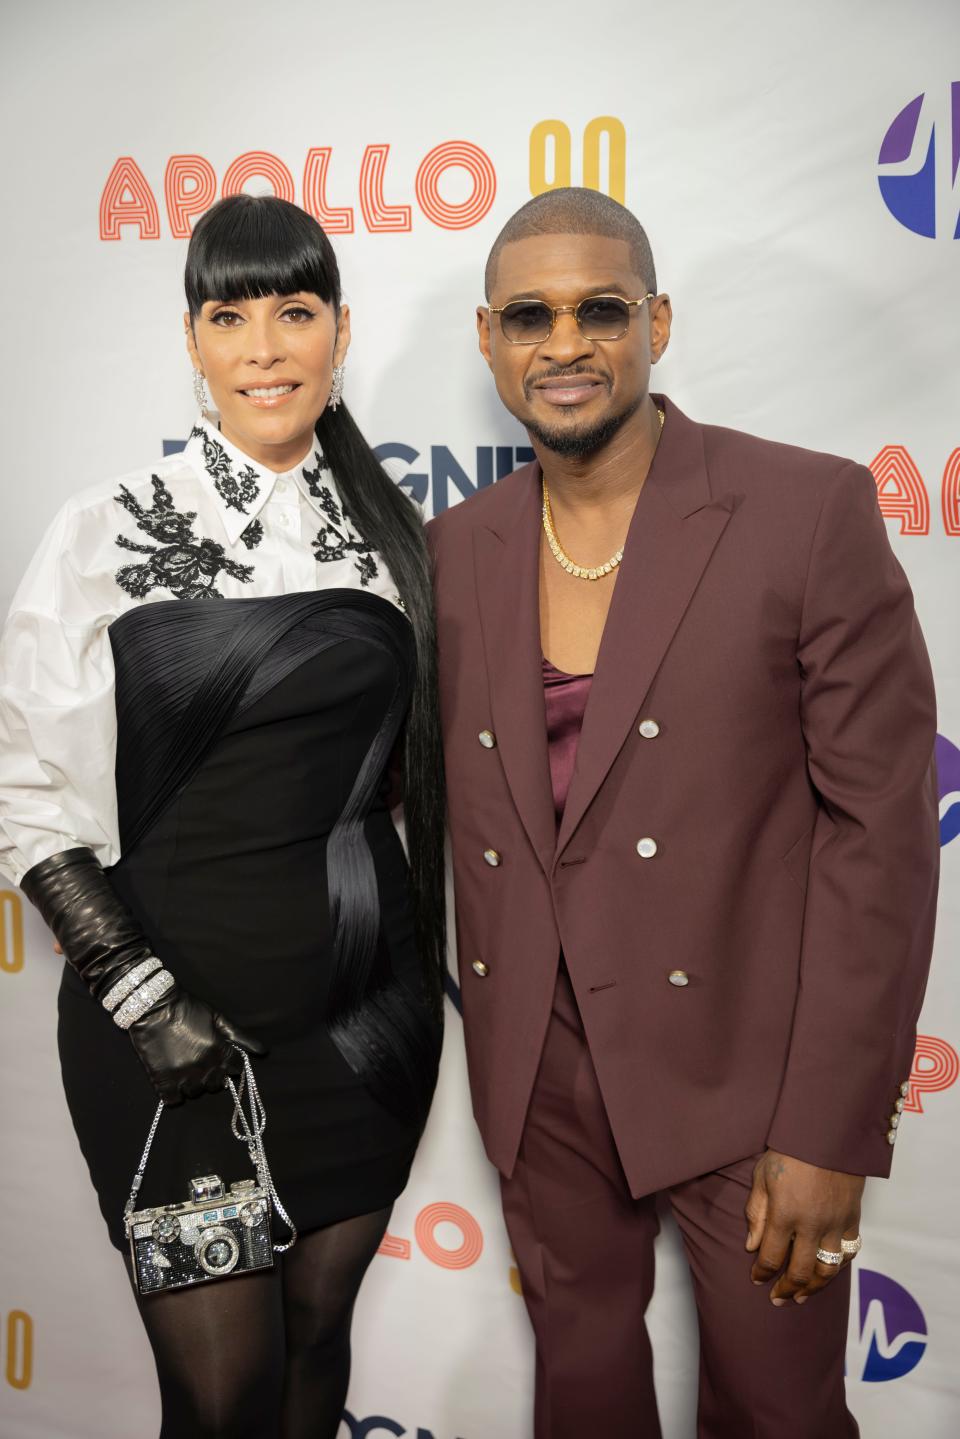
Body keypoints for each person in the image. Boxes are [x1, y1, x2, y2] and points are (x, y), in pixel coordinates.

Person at [428, 187, 939, 1438]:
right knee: (583, 1397)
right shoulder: (453, 547)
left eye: (600, 310)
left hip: (752, 1081)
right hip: (541, 1078)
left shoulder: (802, 510)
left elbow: (881, 835)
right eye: (530, 317)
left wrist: (829, 1126)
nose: (565, 345)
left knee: (779, 1409)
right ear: (488, 339)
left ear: (655, 320)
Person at [0, 194, 445, 1439]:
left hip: (364, 1010)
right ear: (191, 339)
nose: (264, 346)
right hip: (170, 1027)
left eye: (294, 311)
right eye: (229, 313)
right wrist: (138, 992)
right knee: (219, 1395)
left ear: (338, 331)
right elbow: (31, 797)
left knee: (315, 1361)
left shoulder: (397, 541)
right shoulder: (103, 532)